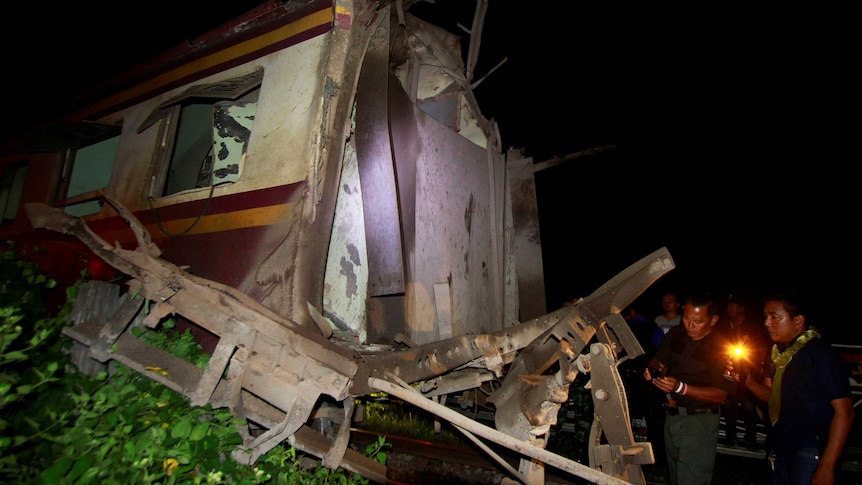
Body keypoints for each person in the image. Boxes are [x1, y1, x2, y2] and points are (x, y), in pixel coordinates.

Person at [726, 289, 855, 485]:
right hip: (780, 445)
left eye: (774, 317)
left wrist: (827, 466)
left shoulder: (820, 354)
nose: (767, 323)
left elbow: (845, 412)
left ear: (798, 320)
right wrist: (748, 381)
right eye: (765, 317)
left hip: (809, 450)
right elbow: (771, 395)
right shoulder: (779, 353)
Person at [644, 292, 736, 485]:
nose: (690, 326)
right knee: (676, 476)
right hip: (673, 416)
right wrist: (652, 371)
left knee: (692, 478)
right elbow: (659, 360)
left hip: (699, 421)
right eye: (686, 319)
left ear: (713, 320)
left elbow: (720, 395)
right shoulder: (677, 334)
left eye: (698, 321)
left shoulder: (722, 347)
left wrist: (681, 388)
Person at [717, 289, 772, 449]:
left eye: (734, 306)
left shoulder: (753, 326)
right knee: (729, 405)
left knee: (749, 407)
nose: (730, 309)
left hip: (749, 372)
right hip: (729, 371)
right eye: (728, 306)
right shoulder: (723, 325)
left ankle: (751, 439)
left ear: (742, 308)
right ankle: (730, 437)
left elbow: (760, 348)